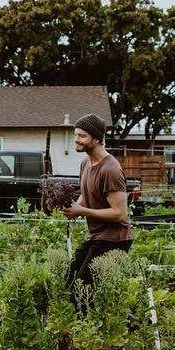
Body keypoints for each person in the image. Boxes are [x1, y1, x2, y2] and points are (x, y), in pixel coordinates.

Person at [62, 114, 133, 304]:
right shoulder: (85, 164)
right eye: (76, 134)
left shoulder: (110, 169)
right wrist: (74, 207)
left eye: (82, 136)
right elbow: (86, 194)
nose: (77, 139)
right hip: (96, 236)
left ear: (96, 138)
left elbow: (119, 214)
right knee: (69, 282)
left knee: (83, 294)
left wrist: (81, 211)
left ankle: (100, 330)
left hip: (115, 240)